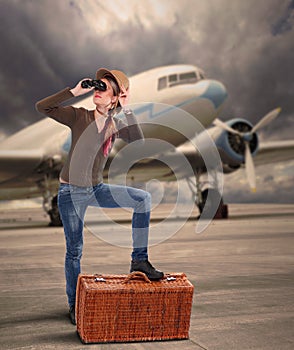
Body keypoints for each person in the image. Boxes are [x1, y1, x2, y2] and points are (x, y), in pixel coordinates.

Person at [35, 68, 164, 325]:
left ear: (114, 98)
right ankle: (74, 304)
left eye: (103, 87)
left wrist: (126, 109)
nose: (97, 89)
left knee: (143, 199)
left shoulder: (115, 125)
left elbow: (138, 142)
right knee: (75, 251)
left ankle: (139, 261)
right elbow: (42, 107)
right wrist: (74, 91)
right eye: (97, 86)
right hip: (71, 193)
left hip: (96, 189)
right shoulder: (78, 116)